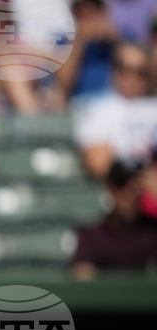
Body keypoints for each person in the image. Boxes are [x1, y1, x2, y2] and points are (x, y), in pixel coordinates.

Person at [74, 41, 157, 179]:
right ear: (114, 70)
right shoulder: (99, 110)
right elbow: (98, 166)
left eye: (140, 71)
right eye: (125, 68)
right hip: (125, 185)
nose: (131, 77)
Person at [70, 161, 157, 278]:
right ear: (109, 189)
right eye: (121, 184)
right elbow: (83, 283)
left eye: (137, 185)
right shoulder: (92, 237)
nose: (129, 192)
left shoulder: (153, 233)